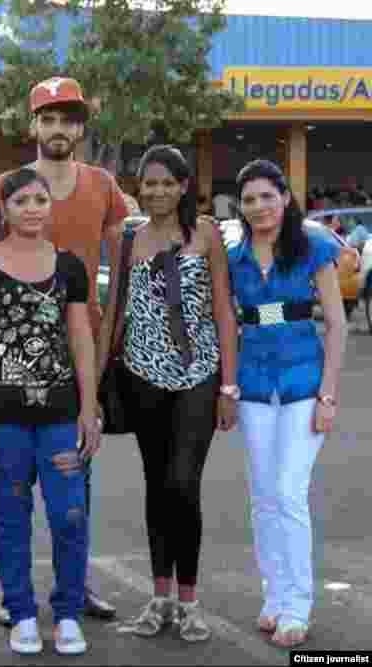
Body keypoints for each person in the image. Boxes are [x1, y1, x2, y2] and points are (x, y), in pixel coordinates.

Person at [0, 76, 129, 622]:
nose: (59, 128)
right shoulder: (6, 186)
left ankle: (77, 585)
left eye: (68, 119)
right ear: (33, 126)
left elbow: (122, 272)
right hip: (16, 359)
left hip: (81, 352)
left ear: (81, 126)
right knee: (14, 486)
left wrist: (108, 334)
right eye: (48, 119)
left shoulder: (104, 187)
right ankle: (15, 596)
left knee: (75, 485)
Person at [98, 145, 238, 642]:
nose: (156, 191)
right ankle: (159, 598)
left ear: (183, 186)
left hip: (197, 377)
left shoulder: (204, 234)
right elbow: (113, 312)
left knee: (183, 484)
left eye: (166, 183)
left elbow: (223, 311)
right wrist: (96, 385)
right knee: (156, 486)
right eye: (148, 183)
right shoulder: (127, 238)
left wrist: (228, 385)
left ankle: (190, 600)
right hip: (140, 377)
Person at [0, 167, 100, 656]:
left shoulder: (69, 267)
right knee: (12, 517)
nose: (33, 209)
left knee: (69, 515)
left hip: (62, 416)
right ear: (5, 209)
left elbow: (81, 337)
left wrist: (89, 407)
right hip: (4, 419)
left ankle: (66, 613)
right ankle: (21, 612)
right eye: (22, 201)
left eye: (41, 199)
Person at [227, 159, 346, 649]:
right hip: (254, 385)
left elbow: (337, 325)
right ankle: (274, 597)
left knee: (288, 491)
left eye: (267, 197)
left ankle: (298, 605)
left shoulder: (314, 247)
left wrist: (328, 396)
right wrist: (229, 389)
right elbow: (231, 325)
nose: (259, 207)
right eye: (250, 199)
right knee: (262, 495)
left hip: (303, 383)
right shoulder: (233, 257)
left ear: (285, 198)